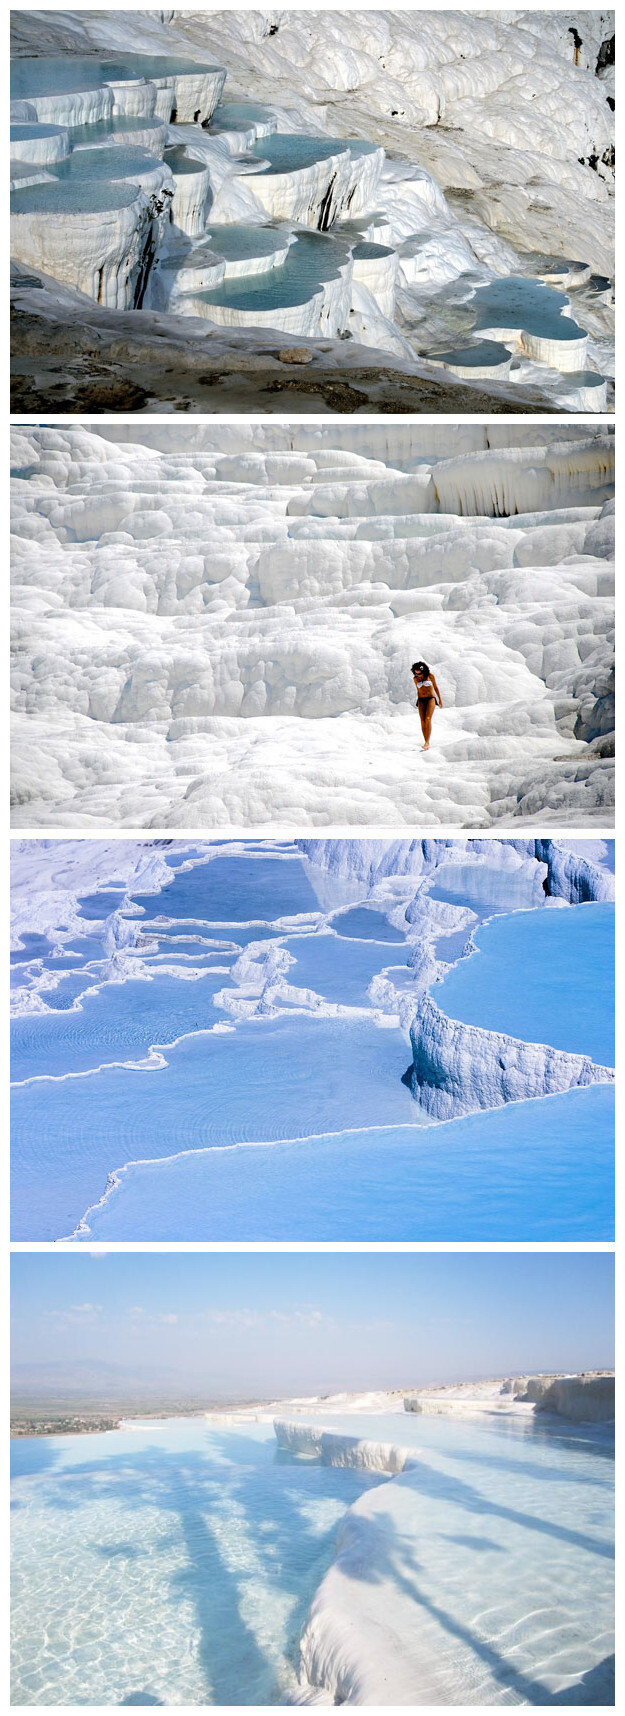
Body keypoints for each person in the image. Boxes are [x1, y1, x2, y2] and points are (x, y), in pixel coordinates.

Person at [411, 659, 442, 750]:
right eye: (416, 673)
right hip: (421, 700)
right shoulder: (415, 679)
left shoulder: (430, 676)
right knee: (422, 721)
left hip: (430, 699)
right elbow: (418, 690)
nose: (418, 675)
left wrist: (440, 700)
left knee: (428, 719)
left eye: (420, 673)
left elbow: (436, 688)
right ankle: (425, 741)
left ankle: (427, 742)